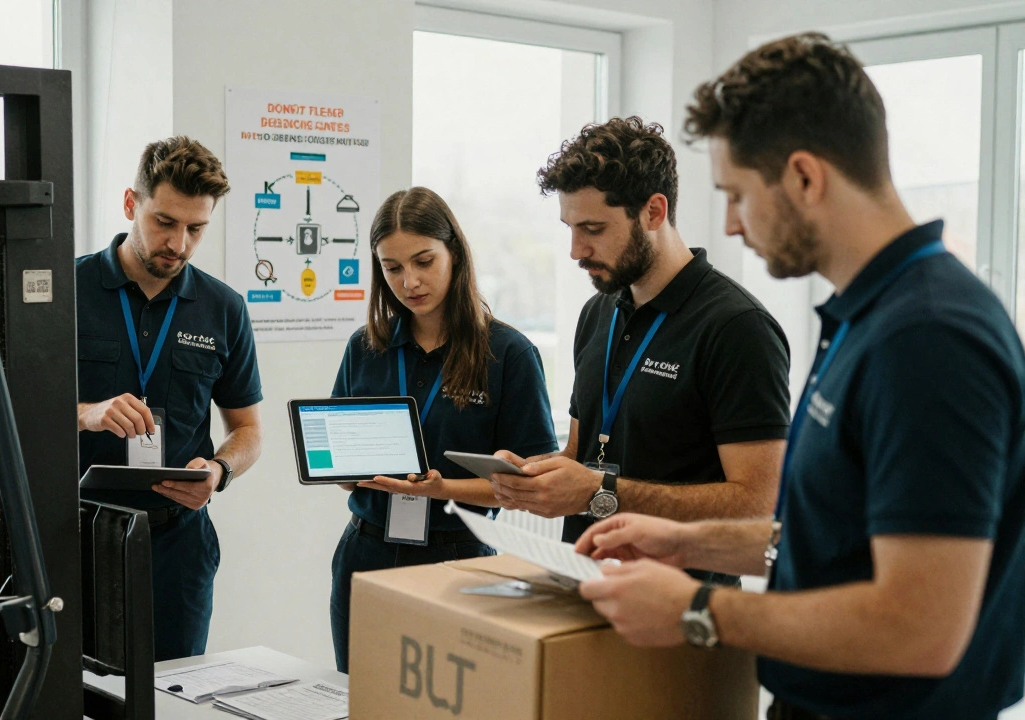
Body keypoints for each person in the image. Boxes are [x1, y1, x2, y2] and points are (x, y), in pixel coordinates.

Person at [575, 34, 1025, 720]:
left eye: (736, 195)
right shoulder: (866, 314)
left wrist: (700, 607)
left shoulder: (929, 337)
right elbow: (833, 538)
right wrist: (688, 540)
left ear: (805, 177)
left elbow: (919, 628)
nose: (728, 224)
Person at [489, 118, 791, 564]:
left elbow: (758, 507)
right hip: (581, 581)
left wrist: (601, 491)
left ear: (653, 211)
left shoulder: (736, 327)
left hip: (678, 605)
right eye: (569, 228)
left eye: (593, 229)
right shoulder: (598, 312)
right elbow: (583, 453)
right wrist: (537, 478)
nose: (576, 250)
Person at [328, 187, 557, 673]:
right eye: (392, 268)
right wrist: (339, 468)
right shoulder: (365, 348)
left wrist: (441, 488)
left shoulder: (508, 354)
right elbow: (343, 471)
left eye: (424, 261)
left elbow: (528, 486)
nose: (409, 281)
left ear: (455, 253)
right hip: (365, 550)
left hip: (456, 558)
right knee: (356, 699)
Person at [75, 136, 263, 661]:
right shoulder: (65, 291)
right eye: (165, 222)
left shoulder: (224, 308)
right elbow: (6, 407)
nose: (178, 244)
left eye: (195, 228)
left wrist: (220, 471)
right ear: (131, 204)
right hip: (78, 537)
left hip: (177, 545)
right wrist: (87, 414)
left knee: (174, 698)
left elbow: (248, 431)